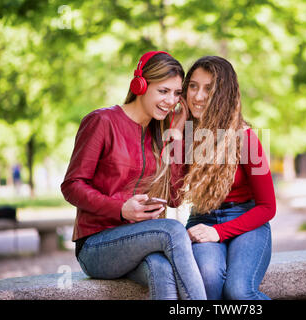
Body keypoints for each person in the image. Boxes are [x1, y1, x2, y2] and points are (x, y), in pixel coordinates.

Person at [61, 51, 206, 300]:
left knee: (161, 270)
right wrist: (120, 209)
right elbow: (72, 185)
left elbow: (174, 198)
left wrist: (178, 134)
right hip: (96, 246)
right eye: (163, 91)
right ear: (140, 85)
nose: (171, 100)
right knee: (173, 230)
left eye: (176, 93)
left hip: (140, 242)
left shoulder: (161, 132)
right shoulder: (102, 121)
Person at [177, 56, 276, 299]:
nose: (198, 96)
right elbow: (170, 194)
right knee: (208, 282)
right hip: (202, 218)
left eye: (208, 88)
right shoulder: (180, 134)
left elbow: (268, 207)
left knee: (239, 291)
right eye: (193, 86)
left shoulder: (246, 138)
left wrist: (219, 232)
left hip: (247, 219)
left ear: (223, 93)